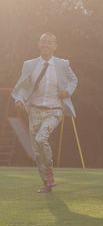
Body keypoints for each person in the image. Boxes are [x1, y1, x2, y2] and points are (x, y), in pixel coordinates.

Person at [11, 33, 78, 193]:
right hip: (34, 111)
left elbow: (73, 80)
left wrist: (67, 92)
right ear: (38, 44)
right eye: (43, 42)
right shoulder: (29, 65)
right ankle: (47, 183)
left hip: (54, 110)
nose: (46, 45)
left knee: (41, 138)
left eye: (50, 42)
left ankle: (50, 174)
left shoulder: (62, 64)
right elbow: (21, 87)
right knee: (36, 151)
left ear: (55, 46)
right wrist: (19, 100)